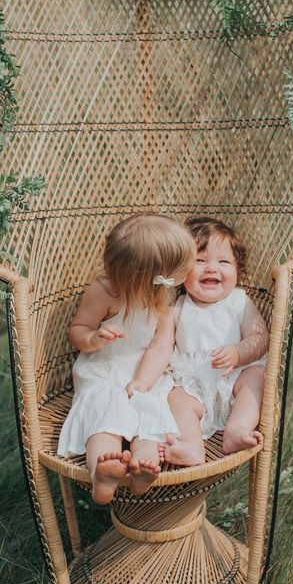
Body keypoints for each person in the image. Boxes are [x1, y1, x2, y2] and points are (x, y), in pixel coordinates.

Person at [57, 214, 196, 504]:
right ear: (155, 274)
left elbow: (161, 345)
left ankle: (143, 467)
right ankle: (101, 475)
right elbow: (78, 330)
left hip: (145, 372)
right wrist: (94, 338)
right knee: (104, 415)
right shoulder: (105, 292)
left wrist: (143, 381)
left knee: (151, 411)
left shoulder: (166, 296)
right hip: (104, 370)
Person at [160, 217, 269, 467]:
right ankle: (191, 445)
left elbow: (261, 339)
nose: (211, 268)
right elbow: (163, 347)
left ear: (238, 270)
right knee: (177, 399)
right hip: (193, 385)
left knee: (256, 378)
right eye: (199, 261)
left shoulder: (239, 301)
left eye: (223, 262)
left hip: (233, 380)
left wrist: (238, 353)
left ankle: (237, 428)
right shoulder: (176, 307)